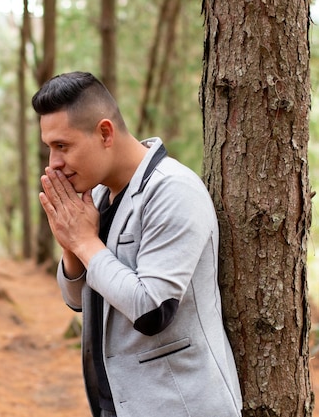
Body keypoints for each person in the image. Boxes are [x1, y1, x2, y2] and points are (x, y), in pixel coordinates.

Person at [32, 71, 242, 417]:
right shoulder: (97, 195)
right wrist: (70, 243)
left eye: (63, 146)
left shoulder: (173, 190)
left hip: (182, 406)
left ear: (104, 133)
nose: (54, 162)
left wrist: (84, 241)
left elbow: (152, 310)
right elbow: (77, 300)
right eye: (50, 148)